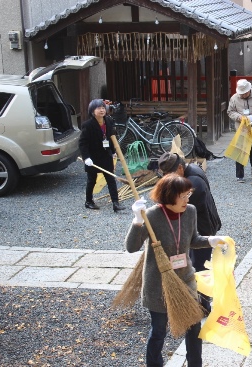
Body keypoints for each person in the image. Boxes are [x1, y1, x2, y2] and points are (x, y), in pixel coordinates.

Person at [125, 174, 227, 367]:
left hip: (185, 280)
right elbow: (131, 247)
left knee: (194, 326)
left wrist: (209, 241)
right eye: (183, 195)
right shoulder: (152, 216)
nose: (187, 199)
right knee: (158, 330)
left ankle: (195, 364)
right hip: (159, 284)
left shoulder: (190, 211)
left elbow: (193, 240)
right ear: (169, 196)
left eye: (188, 194)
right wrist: (137, 220)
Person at [158, 152, 222, 312]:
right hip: (202, 226)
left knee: (199, 268)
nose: (167, 178)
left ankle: (203, 305)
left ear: (180, 168)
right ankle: (196, 302)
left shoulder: (193, 184)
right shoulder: (191, 169)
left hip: (202, 230)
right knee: (195, 266)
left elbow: (177, 206)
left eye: (169, 174)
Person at [79, 99, 125, 212]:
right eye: (98, 108)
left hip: (106, 155)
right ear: (92, 111)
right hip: (93, 157)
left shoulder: (109, 121)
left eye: (103, 108)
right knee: (92, 180)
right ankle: (88, 201)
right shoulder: (88, 125)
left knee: (111, 179)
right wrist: (86, 158)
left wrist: (113, 151)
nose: (102, 110)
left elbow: (111, 138)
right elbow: (82, 143)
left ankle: (116, 203)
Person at [227, 79, 252, 183]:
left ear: (249, 90)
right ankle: (239, 175)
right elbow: (230, 111)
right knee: (240, 152)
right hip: (241, 128)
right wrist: (239, 117)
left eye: (244, 93)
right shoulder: (234, 98)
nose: (243, 95)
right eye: (241, 94)